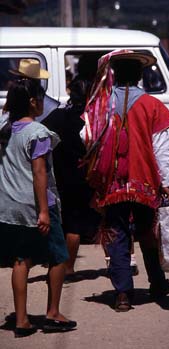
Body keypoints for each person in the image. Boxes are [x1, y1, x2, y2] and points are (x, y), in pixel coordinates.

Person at [80, 50, 169, 312]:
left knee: (118, 235)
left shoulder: (101, 104)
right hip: (143, 180)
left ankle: (123, 293)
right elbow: (161, 147)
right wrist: (166, 180)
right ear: (139, 76)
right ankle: (157, 282)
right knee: (148, 232)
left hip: (112, 183)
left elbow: (85, 137)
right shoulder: (151, 105)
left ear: (115, 75)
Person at [0, 65, 76, 337]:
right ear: (33, 102)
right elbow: (39, 172)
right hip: (37, 205)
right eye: (41, 99)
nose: (44, 104)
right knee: (58, 257)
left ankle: (21, 320)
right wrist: (44, 211)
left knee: (21, 261)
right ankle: (53, 313)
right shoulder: (38, 133)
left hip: (11, 206)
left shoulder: (5, 128)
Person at [43, 76, 101, 280]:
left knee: (63, 222)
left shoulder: (58, 116)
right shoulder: (93, 119)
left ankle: (58, 264)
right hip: (84, 177)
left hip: (60, 177)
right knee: (76, 226)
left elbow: (44, 133)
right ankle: (68, 267)